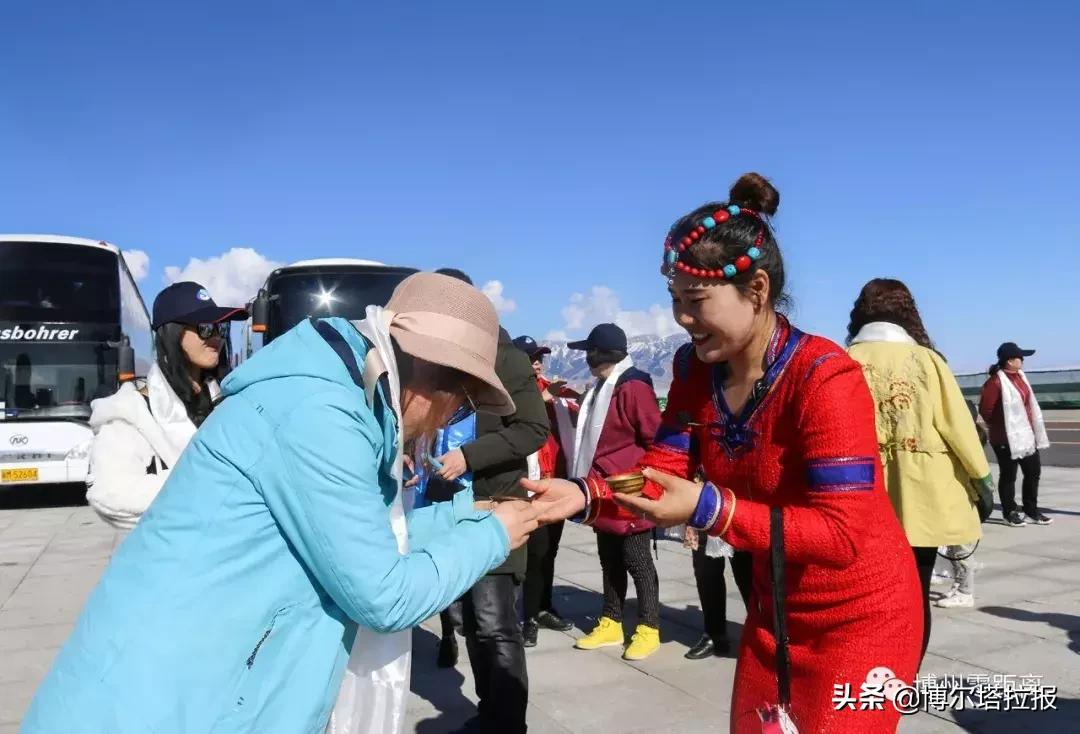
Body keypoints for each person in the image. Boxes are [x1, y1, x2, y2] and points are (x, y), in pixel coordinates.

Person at [24, 273, 544, 734]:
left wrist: (473, 514)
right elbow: (386, 596)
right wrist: (492, 534)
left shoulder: (335, 400)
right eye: (468, 398)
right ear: (437, 377)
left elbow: (372, 538)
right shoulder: (319, 410)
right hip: (167, 702)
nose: (456, 416)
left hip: (206, 685)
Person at [525, 173, 924, 733]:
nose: (682, 319)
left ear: (756, 290)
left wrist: (708, 509)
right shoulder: (694, 370)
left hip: (860, 615)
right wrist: (585, 493)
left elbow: (842, 535)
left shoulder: (824, 377)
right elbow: (662, 469)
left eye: (696, 301)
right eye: (674, 301)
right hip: (774, 606)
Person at [426, 268, 549, 734]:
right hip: (447, 510)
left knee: (497, 623)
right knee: (471, 624)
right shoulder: (440, 358)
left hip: (496, 506)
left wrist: (468, 456)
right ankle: (489, 712)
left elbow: (534, 428)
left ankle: (508, 724)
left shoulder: (508, 360)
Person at [846, 278, 992, 657]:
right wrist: (982, 479)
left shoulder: (842, 361)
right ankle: (905, 676)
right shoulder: (927, 361)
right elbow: (958, 427)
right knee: (915, 593)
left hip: (859, 503)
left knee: (867, 597)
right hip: (921, 503)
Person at [85, 281, 248, 528]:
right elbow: (111, 495)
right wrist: (208, 492)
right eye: (205, 328)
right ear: (171, 333)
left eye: (220, 328)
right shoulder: (131, 411)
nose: (216, 337)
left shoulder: (233, 400)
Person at [567, 323, 663, 661]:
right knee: (609, 561)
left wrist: (645, 484)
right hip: (602, 493)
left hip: (629, 493)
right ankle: (611, 620)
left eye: (588, 353)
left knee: (637, 561)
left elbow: (655, 438)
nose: (586, 360)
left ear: (599, 354)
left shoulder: (633, 387)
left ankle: (649, 627)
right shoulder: (599, 388)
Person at [513, 335, 578, 648]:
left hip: (557, 482)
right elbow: (516, 420)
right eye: (530, 357)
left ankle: (543, 606)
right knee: (534, 555)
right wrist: (545, 399)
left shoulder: (554, 391)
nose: (537, 362)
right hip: (531, 486)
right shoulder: (515, 392)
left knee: (550, 551)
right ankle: (528, 616)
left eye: (539, 356)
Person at [979, 342, 1052, 526]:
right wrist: (1003, 425)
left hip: (1026, 436)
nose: (1023, 360)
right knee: (1009, 475)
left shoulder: (1021, 377)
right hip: (1005, 437)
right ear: (1010, 361)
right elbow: (986, 410)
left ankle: (1031, 510)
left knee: (1033, 472)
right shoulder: (995, 381)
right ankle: (1009, 512)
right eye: (1020, 357)